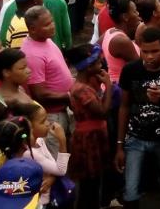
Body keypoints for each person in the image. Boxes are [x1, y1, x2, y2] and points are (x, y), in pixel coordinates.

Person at [115, 26, 160, 208]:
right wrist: (120, 145)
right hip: (135, 138)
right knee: (131, 189)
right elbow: (124, 107)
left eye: (155, 51)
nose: (149, 56)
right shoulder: (130, 70)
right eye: (144, 51)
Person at [65, 44, 114, 209]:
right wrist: (108, 85)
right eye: (98, 62)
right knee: (89, 183)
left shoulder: (87, 83)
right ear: (88, 67)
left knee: (95, 180)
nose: (101, 64)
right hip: (89, 138)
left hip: (95, 133)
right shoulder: (81, 90)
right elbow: (103, 111)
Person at [21, 6, 73, 156]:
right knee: (57, 157)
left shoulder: (46, 40)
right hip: (52, 116)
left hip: (63, 110)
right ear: (32, 29)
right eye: (47, 24)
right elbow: (40, 94)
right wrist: (69, 96)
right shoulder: (33, 55)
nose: (53, 26)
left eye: (52, 21)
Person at [11, 101, 71, 208]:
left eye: (47, 119)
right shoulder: (29, 153)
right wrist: (62, 140)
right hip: (40, 203)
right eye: (43, 122)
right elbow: (61, 170)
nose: (48, 123)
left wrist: (52, 177)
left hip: (49, 198)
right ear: (29, 127)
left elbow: (54, 166)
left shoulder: (40, 141)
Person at [101, 0, 141, 84]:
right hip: (120, 87)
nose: (138, 14)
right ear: (125, 17)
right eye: (135, 11)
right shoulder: (121, 41)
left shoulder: (110, 32)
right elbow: (141, 67)